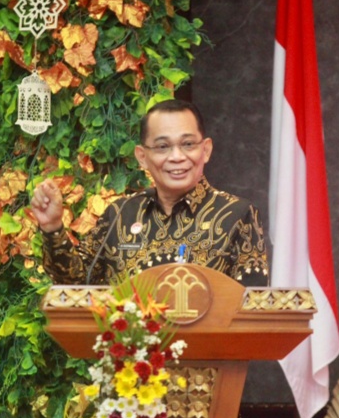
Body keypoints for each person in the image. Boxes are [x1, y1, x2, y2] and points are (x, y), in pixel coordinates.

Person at [31, 99, 269, 287]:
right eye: (163, 146)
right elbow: (75, 284)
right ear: (142, 157)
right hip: (128, 336)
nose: (177, 157)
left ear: (205, 150)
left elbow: (252, 308)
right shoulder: (120, 215)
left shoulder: (237, 214)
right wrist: (52, 227)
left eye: (187, 144)